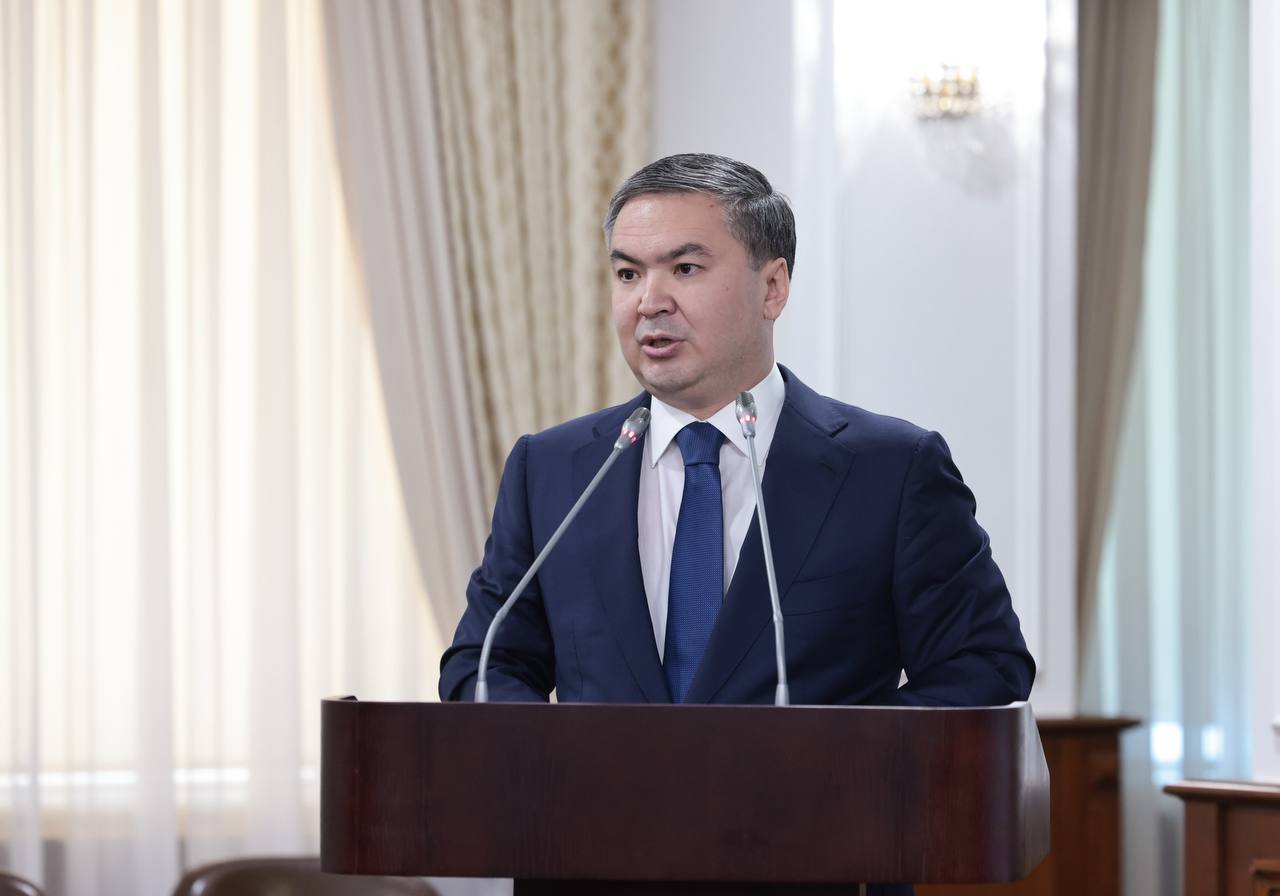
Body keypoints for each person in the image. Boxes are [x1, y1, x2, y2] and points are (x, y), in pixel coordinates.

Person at [440, 152, 1033, 709]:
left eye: (685, 268)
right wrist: (568, 761)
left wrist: (843, 758)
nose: (649, 301)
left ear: (772, 288)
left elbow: (983, 667)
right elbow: (482, 666)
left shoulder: (891, 469)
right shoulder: (552, 469)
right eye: (627, 273)